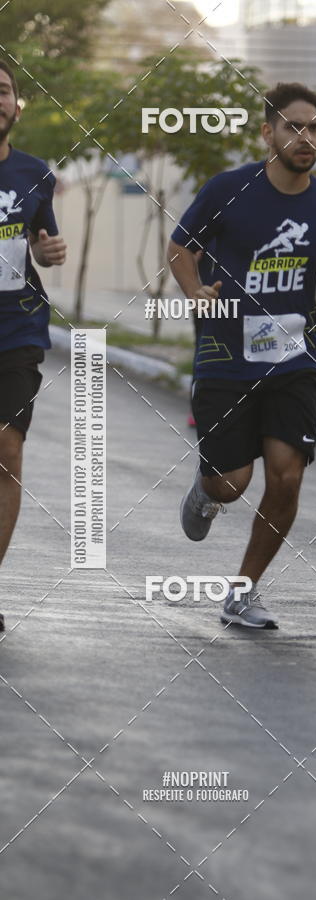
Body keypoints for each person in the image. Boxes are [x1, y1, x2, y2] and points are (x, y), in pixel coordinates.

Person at [168, 82, 316, 630]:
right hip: (225, 355)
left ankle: (243, 591)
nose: (305, 136)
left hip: (295, 359)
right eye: (293, 125)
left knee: (286, 477)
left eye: (314, 126)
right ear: (268, 132)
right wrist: (195, 291)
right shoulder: (227, 190)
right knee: (232, 483)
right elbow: (180, 247)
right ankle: (206, 489)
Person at [0, 61, 67, 632]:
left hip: (15, 329)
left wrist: (46, 254)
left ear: (17, 105)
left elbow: (41, 240)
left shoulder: (33, 174)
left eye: (2, 91)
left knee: (7, 450)